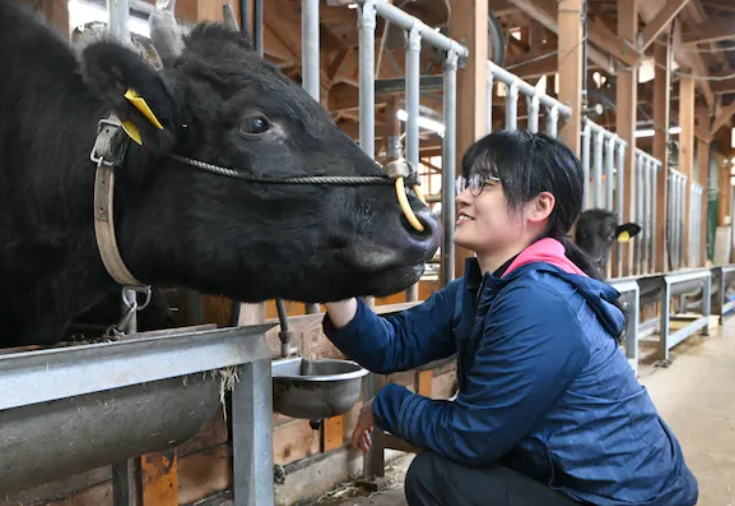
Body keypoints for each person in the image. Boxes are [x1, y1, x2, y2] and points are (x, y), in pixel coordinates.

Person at [321, 130, 698, 506]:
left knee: (435, 478)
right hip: (576, 480)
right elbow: (392, 345)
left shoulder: (541, 301)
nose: (461, 196)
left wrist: (388, 405)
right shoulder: (480, 288)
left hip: (626, 498)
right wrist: (325, 276)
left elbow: (472, 435)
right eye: (466, 182)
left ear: (539, 206)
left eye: (482, 184)